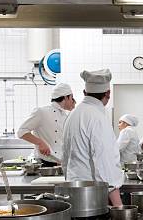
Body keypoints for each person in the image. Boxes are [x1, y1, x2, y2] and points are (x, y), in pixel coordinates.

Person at [62, 69, 123, 206]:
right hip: (93, 195)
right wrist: (119, 206)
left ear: (85, 93)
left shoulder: (73, 114)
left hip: (74, 190)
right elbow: (105, 163)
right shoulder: (97, 118)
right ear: (108, 93)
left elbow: (65, 157)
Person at [17, 83, 75, 166]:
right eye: (71, 98)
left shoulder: (65, 115)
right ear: (66, 97)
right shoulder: (41, 112)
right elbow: (21, 132)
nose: (72, 100)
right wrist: (40, 143)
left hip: (61, 163)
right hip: (45, 163)